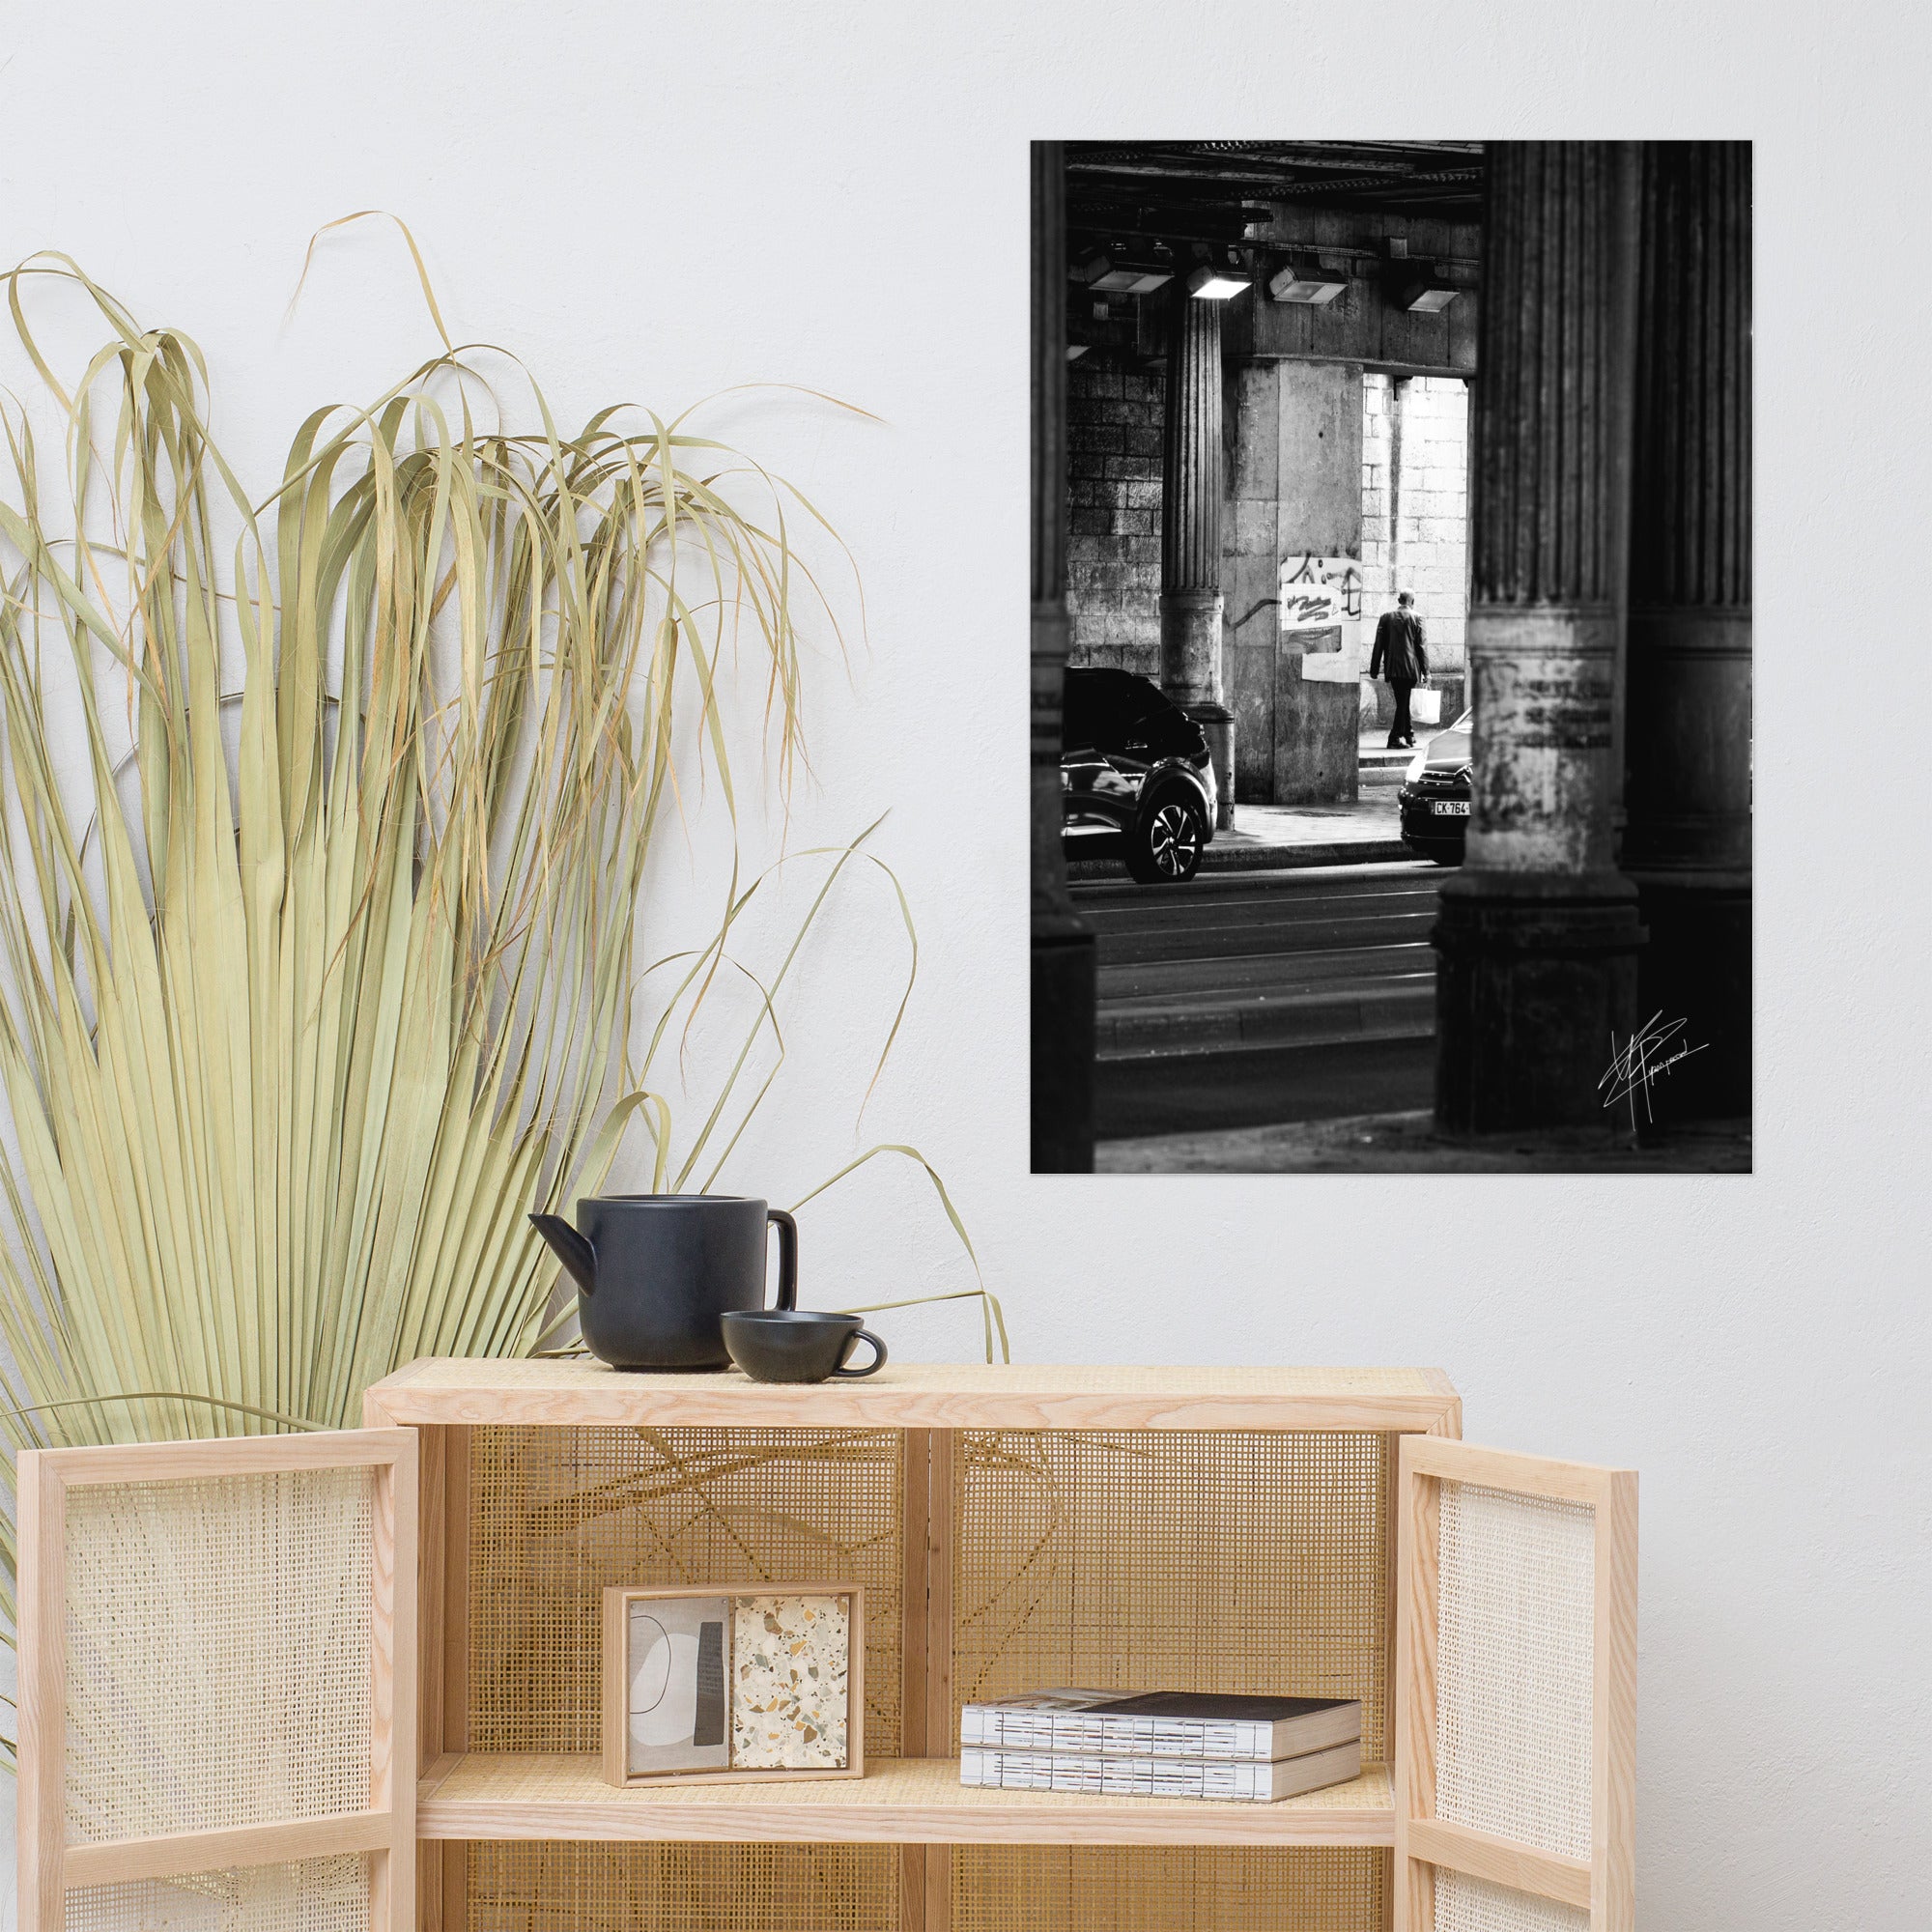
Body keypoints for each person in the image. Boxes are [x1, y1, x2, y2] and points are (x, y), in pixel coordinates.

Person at [1369, 590, 1429, 749]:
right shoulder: (1418, 618)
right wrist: (1426, 671)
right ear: (1412, 601)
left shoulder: (1386, 617)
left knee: (1403, 701)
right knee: (1403, 702)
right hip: (1410, 669)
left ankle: (1409, 734)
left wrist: (1374, 669)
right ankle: (1394, 738)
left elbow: (1378, 645)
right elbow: (1421, 647)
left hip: (1392, 669)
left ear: (1399, 600)